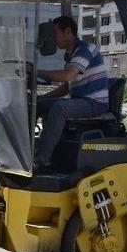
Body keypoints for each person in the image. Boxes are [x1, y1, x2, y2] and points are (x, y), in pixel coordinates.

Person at [35, 15, 110, 169]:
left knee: (59, 108)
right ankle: (27, 150)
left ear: (68, 31)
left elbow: (67, 75)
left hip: (94, 103)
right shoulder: (71, 55)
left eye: (55, 33)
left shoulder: (85, 49)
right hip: (81, 101)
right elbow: (67, 86)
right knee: (36, 104)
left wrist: (38, 72)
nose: (53, 39)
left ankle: (41, 159)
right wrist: (41, 98)